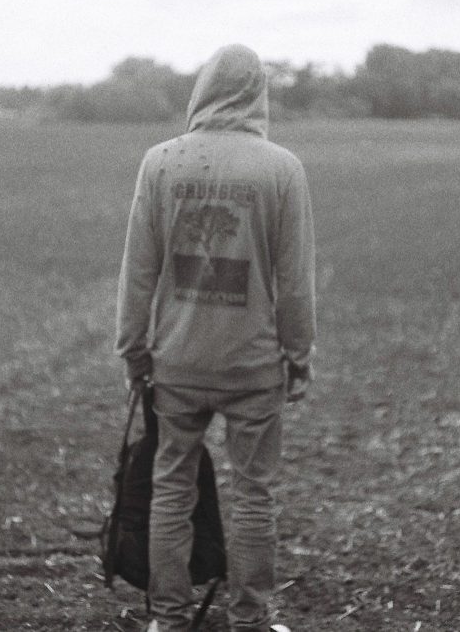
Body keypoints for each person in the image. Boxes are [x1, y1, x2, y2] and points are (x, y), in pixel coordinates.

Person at [115, 44, 316, 632]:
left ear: (201, 90)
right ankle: (252, 620)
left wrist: (132, 352)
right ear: (259, 94)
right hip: (253, 370)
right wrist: (298, 356)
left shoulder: (161, 163)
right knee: (254, 496)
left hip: (176, 364)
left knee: (171, 488)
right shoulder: (282, 168)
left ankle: (170, 621)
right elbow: (296, 281)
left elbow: (139, 270)